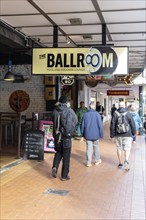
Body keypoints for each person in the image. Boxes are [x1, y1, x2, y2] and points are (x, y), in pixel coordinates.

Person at [52, 95, 78, 181]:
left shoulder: (55, 111)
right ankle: (64, 176)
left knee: (58, 152)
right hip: (66, 137)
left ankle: (55, 166)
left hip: (57, 136)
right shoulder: (69, 111)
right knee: (66, 156)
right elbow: (76, 120)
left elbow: (54, 121)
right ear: (66, 102)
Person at [110, 101, 136, 171]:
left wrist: (112, 135)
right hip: (128, 134)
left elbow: (112, 125)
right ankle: (126, 160)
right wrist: (133, 133)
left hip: (118, 134)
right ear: (124, 106)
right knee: (127, 148)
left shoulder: (115, 113)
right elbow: (132, 124)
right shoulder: (128, 113)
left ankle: (120, 163)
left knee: (119, 148)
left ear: (118, 106)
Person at [81, 102, 104, 167]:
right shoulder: (97, 114)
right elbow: (100, 125)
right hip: (96, 135)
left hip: (88, 134)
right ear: (94, 107)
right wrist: (101, 134)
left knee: (89, 148)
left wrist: (83, 135)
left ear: (89, 107)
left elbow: (82, 125)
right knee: (96, 147)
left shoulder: (85, 114)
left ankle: (88, 162)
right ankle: (97, 160)